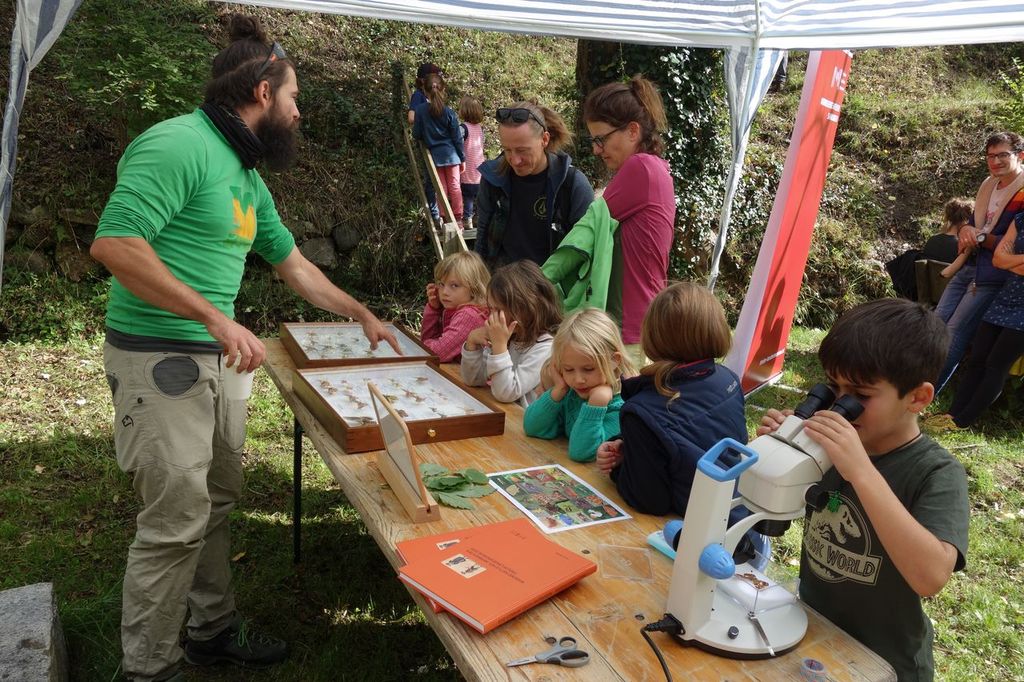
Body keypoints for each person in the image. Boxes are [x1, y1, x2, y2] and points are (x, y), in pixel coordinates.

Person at [89, 15, 399, 682]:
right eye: (293, 98)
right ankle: (147, 668)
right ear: (263, 91)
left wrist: (360, 311)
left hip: (217, 362)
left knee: (216, 500)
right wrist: (214, 318)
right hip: (158, 357)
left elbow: (294, 266)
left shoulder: (245, 175)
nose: (298, 111)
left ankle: (210, 631)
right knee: (174, 519)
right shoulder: (177, 145)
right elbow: (116, 244)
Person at [756, 299, 969, 681]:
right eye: (832, 388)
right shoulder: (827, 448)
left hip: (884, 661)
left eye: (860, 396)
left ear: (918, 397)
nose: (841, 404)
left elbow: (931, 576)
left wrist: (861, 471)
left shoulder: (936, 472)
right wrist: (781, 453)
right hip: (815, 631)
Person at [596, 283, 764, 561]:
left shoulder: (641, 411)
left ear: (653, 337)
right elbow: (696, 435)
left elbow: (649, 500)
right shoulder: (727, 379)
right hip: (745, 523)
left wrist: (620, 467)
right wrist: (628, 446)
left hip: (698, 544)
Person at [544, 76, 676, 368]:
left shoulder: (640, 168)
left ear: (632, 131)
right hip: (641, 322)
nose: (596, 149)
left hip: (629, 331)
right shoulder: (654, 168)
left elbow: (584, 232)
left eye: (601, 139)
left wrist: (536, 284)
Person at [933, 132, 1024, 393]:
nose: (995, 161)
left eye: (1002, 155)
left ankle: (924, 394)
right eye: (990, 156)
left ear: (1020, 155)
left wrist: (981, 237)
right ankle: (909, 386)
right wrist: (966, 232)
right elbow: (973, 225)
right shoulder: (988, 185)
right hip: (969, 262)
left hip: (994, 273)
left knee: (954, 333)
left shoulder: (1022, 191)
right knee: (936, 324)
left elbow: (1014, 244)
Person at [473, 101, 594, 269]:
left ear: (544, 139)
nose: (514, 160)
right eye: (507, 150)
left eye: (522, 150)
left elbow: (584, 252)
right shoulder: (494, 179)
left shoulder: (572, 185)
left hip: (552, 288)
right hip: (502, 287)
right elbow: (482, 242)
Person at [938, 214, 1024, 427]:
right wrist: (1010, 262)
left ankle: (962, 422)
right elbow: (997, 259)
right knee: (977, 359)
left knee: (997, 366)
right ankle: (952, 415)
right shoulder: (1021, 219)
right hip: (1006, 298)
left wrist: (1010, 260)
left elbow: (1006, 259)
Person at [523, 308, 636, 462]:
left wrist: (596, 405)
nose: (578, 379)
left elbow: (582, 453)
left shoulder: (622, 408)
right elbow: (532, 427)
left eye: (588, 369)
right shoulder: (569, 392)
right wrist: (558, 390)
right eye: (568, 369)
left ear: (614, 361)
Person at [461, 260, 562, 406]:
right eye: (491, 309)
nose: (491, 318)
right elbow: (474, 380)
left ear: (526, 308)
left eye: (498, 310)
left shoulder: (546, 347)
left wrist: (500, 348)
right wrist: (472, 343)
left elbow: (506, 393)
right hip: (507, 416)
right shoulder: (510, 336)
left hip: (524, 423)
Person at [412, 73, 465, 225]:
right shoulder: (448, 112)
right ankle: (458, 219)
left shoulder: (421, 110)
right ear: (442, 90)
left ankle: (444, 218)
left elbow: (416, 133)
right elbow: (457, 137)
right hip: (452, 156)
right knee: (455, 187)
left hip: (434, 157)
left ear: (425, 90)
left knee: (441, 188)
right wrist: (463, 159)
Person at [421, 250, 489, 363]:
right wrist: (434, 309)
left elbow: (434, 354)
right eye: (441, 284)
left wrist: (423, 345)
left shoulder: (468, 316)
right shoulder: (456, 308)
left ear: (474, 289)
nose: (444, 292)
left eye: (454, 285)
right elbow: (430, 346)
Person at [407, 62, 442, 223]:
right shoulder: (418, 96)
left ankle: (443, 212)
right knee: (431, 178)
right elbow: (411, 118)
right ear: (423, 80)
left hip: (440, 144)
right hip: (428, 144)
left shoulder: (436, 96)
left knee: (441, 178)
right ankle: (435, 213)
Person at [458, 95, 485, 232]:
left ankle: (467, 219)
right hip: (480, 169)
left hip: (468, 168)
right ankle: (476, 218)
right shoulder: (480, 128)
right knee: (477, 197)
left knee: (468, 196)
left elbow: (458, 144)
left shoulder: (463, 128)